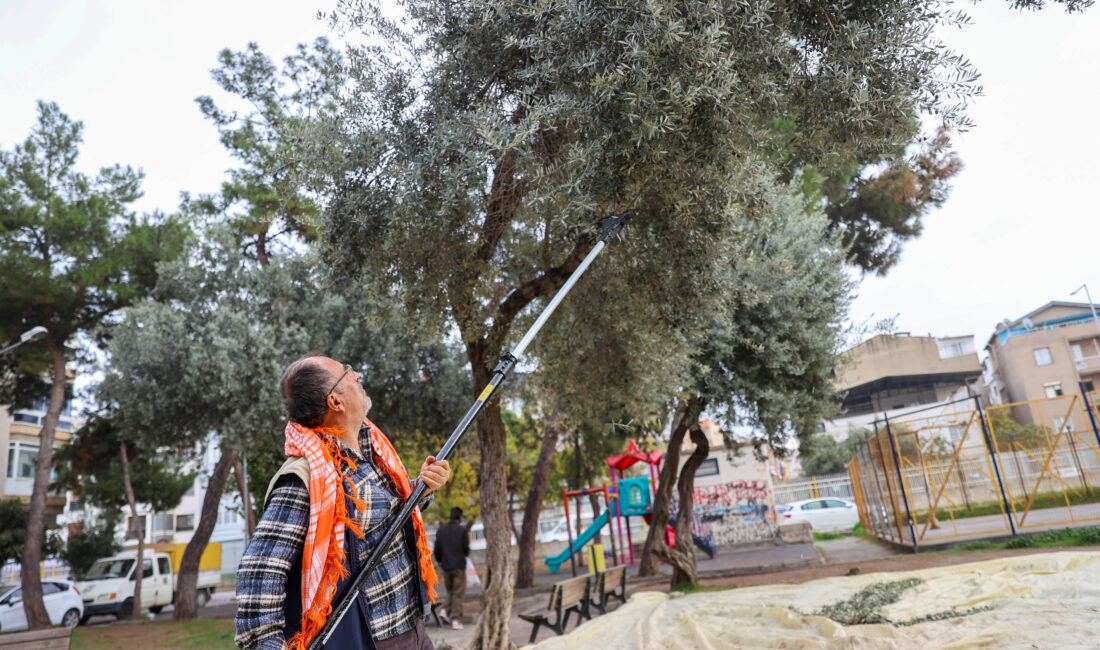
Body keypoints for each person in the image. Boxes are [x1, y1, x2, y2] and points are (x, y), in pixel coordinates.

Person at [235, 354, 452, 650]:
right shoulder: (306, 478)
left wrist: (421, 489)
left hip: (412, 629)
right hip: (370, 642)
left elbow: (383, 516)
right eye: (349, 373)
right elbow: (260, 571)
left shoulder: (373, 450)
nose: (358, 376)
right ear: (336, 401)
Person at [432, 507, 470, 630]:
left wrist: (439, 560)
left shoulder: (441, 531)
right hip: (458, 565)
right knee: (458, 593)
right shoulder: (462, 530)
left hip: (446, 566)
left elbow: (437, 549)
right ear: (460, 517)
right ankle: (456, 620)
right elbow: (466, 549)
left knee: (451, 591)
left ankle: (444, 610)